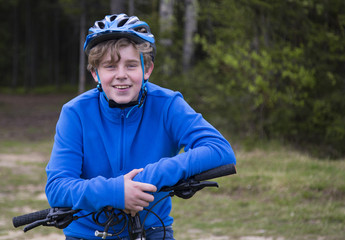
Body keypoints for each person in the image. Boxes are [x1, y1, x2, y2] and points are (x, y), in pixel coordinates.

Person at [45, 13, 236, 240]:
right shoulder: (76, 113)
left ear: (147, 70)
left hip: (152, 230)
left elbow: (220, 150)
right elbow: (57, 187)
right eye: (110, 66)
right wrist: (116, 192)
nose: (121, 75)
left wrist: (148, 179)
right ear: (96, 73)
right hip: (88, 234)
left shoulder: (167, 104)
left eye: (131, 65)